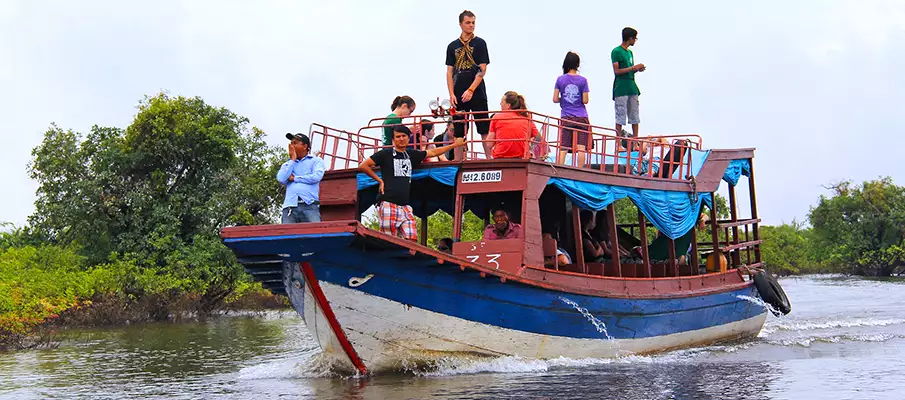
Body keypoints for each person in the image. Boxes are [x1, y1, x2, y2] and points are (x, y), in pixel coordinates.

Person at [359, 126, 466, 241]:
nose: (401, 139)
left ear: (408, 138)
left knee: (412, 239)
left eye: (403, 136)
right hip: (388, 203)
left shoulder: (411, 155)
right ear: (393, 140)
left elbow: (433, 152)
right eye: (398, 137)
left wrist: (454, 145)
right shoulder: (385, 154)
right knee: (388, 239)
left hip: (405, 205)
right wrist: (379, 180)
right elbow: (364, 166)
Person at [446, 10, 491, 160]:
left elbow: (482, 69)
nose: (471, 25)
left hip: (477, 90)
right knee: (459, 129)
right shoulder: (452, 46)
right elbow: (449, 72)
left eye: (473, 22)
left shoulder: (479, 43)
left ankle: (489, 160)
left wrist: (471, 89)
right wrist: (451, 93)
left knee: (483, 126)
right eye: (468, 22)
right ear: (460, 24)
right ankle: (458, 162)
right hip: (459, 89)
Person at [276, 133, 326, 223]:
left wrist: (295, 178)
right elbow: (281, 178)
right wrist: (292, 160)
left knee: (315, 234)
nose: (292, 146)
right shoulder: (288, 164)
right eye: (291, 143)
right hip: (290, 207)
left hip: (309, 205)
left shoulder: (315, 161)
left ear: (304, 146)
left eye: (295, 143)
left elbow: (317, 176)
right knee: (287, 235)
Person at [553, 51, 591, 167]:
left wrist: (564, 99)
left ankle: (559, 169)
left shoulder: (560, 79)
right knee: (581, 147)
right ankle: (580, 170)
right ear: (578, 65)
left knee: (563, 146)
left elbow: (555, 99)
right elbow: (585, 100)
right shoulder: (583, 80)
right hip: (581, 116)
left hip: (566, 116)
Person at [611, 27, 645, 140]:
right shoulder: (616, 51)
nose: (635, 41)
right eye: (634, 38)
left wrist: (637, 69)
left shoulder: (630, 52)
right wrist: (633, 68)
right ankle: (618, 143)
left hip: (632, 87)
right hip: (621, 88)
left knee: (635, 115)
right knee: (620, 115)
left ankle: (635, 141)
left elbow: (630, 69)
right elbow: (617, 71)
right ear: (630, 38)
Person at [487, 91, 539, 159]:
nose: (500, 104)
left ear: (508, 105)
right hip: (522, 157)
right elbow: (539, 138)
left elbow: (489, 144)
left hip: (500, 157)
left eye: (502, 101)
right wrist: (530, 149)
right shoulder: (527, 119)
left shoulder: (496, 117)